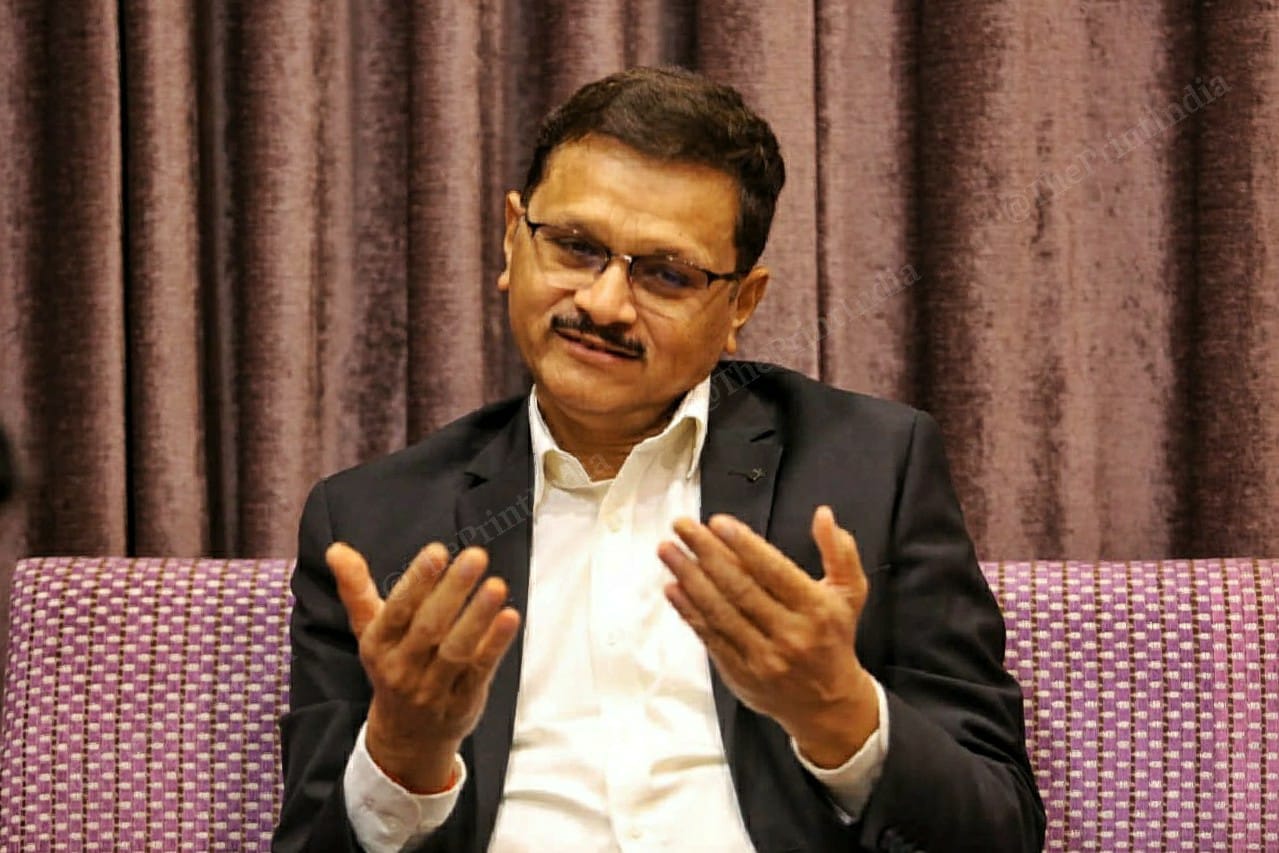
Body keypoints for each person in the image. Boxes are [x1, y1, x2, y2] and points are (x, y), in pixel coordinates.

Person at [274, 66, 1044, 852]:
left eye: (666, 274)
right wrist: (403, 755)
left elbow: (1000, 830)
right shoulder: (373, 523)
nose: (603, 304)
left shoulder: (870, 471)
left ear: (740, 304)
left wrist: (839, 713)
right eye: (575, 247)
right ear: (513, 238)